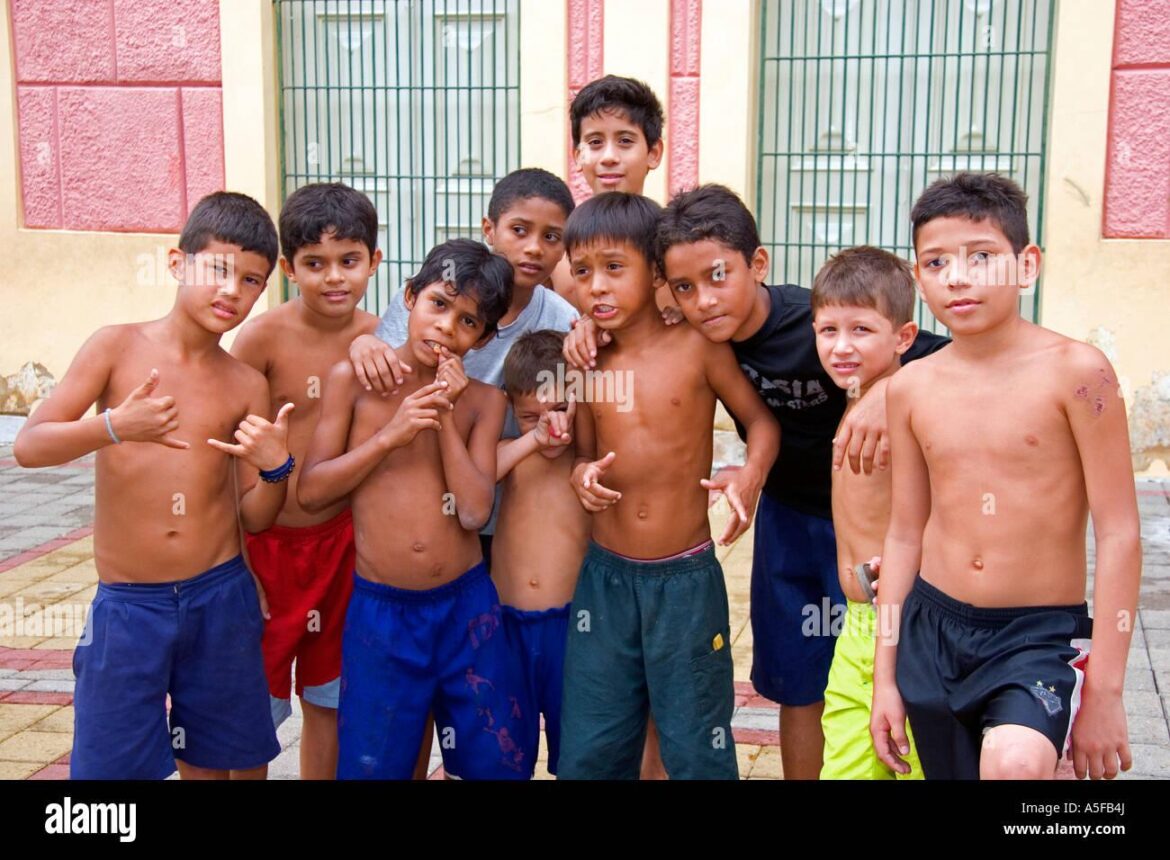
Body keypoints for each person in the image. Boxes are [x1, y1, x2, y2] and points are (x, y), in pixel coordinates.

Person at [564, 183, 948, 778]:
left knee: (888, 672)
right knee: (798, 679)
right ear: (668, 288)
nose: (705, 300)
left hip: (873, 528)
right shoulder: (680, 341)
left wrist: (892, 389)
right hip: (789, 520)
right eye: (686, 287)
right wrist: (583, 330)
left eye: (719, 277)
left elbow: (942, 352)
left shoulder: (813, 321)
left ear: (757, 264)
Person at [870, 172, 1141, 780]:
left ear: (1027, 265)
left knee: (1014, 766)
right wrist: (884, 677)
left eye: (982, 257)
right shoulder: (911, 387)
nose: (958, 277)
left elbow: (1120, 531)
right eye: (936, 262)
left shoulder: (1078, 373)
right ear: (919, 279)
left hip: (1034, 634)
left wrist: (1106, 690)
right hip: (931, 631)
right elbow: (904, 534)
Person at [14, 192, 290, 780]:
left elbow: (256, 515)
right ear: (175, 262)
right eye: (217, 269)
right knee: (108, 771)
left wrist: (275, 468)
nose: (231, 291)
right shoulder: (115, 347)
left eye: (251, 281)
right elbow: (29, 445)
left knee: (220, 760)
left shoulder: (244, 383)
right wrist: (114, 426)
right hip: (129, 605)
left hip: (219, 596)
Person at [556, 192, 780, 779]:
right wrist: (581, 475)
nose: (595, 287)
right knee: (593, 739)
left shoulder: (699, 348)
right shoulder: (588, 362)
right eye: (582, 273)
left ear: (655, 273)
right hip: (604, 578)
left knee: (695, 737)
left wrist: (749, 475)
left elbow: (760, 421)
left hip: (685, 580)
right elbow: (581, 452)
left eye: (613, 268)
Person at [298, 238, 532, 779]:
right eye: (439, 304)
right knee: (375, 762)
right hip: (381, 612)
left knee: (493, 759)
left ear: (484, 337)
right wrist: (389, 437)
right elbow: (311, 492)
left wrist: (444, 415)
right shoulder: (353, 383)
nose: (447, 327)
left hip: (466, 608)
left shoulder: (483, 402)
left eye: (468, 321)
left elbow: (473, 512)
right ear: (409, 297)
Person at [230, 182, 382, 779]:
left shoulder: (384, 334)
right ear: (289, 268)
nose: (334, 278)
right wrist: (237, 554)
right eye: (314, 264)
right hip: (269, 549)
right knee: (253, 713)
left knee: (332, 703)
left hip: (345, 548)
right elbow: (230, 444)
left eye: (349, 260)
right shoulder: (264, 337)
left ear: (375, 257)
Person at [808, 246, 923, 779]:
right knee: (847, 766)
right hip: (856, 624)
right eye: (827, 330)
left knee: (911, 760)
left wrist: (900, 386)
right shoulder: (857, 399)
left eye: (861, 330)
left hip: (909, 625)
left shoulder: (911, 405)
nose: (841, 346)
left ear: (903, 338)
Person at [492, 330, 590, 777]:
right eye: (530, 416)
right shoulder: (509, 454)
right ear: (512, 408)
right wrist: (531, 440)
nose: (548, 425)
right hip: (507, 626)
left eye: (558, 410)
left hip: (573, 628)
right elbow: (478, 477)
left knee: (578, 750)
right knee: (508, 753)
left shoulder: (585, 464)